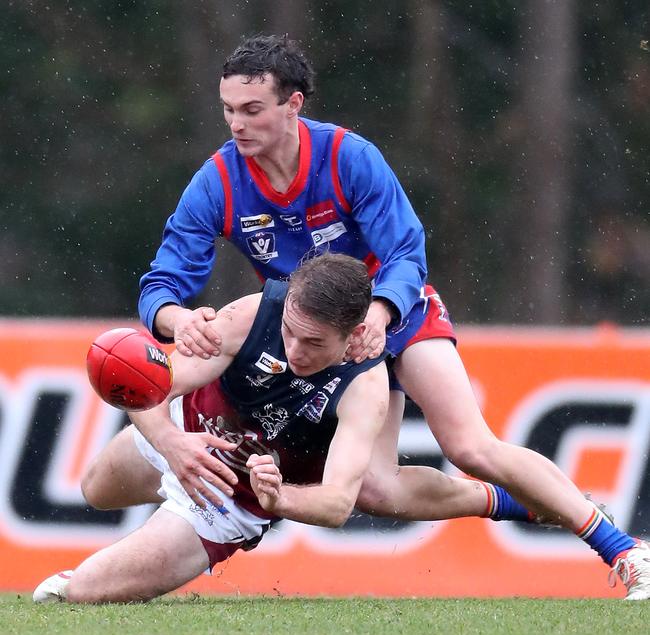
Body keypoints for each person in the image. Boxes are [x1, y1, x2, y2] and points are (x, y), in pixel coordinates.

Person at [134, 35, 648, 598]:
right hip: (322, 336)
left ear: (294, 105)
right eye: (229, 110)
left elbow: (405, 252)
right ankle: (508, 502)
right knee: (373, 491)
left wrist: (380, 311)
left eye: (253, 110)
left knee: (470, 448)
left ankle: (624, 551)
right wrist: (175, 320)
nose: (237, 124)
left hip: (397, 314)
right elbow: (163, 282)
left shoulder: (347, 157)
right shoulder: (219, 181)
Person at [33, 254, 512, 603]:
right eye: (289, 331)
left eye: (314, 342)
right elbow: (150, 391)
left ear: (353, 336)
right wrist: (172, 445)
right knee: (94, 488)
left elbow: (336, 503)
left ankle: (503, 500)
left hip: (226, 502)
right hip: (186, 434)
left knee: (75, 594)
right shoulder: (251, 313)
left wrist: (278, 498)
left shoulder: (365, 387)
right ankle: (170, 501)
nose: (294, 349)